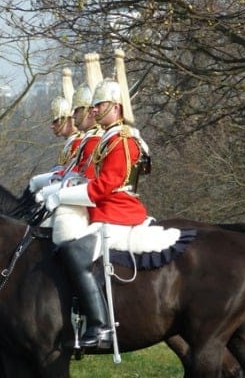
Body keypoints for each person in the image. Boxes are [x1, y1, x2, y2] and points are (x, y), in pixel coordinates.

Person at [41, 49, 153, 349]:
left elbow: (104, 186)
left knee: (77, 253)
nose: (93, 109)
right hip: (107, 208)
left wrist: (61, 195)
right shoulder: (109, 137)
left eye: (99, 104)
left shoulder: (124, 140)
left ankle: (101, 327)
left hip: (120, 211)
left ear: (115, 107)